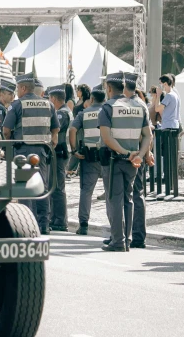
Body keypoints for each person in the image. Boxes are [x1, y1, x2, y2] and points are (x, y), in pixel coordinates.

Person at [98, 72, 152, 252]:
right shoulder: (140, 106)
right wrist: (139, 154)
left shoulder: (107, 107)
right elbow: (147, 135)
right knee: (128, 199)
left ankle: (118, 240)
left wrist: (126, 152)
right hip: (133, 162)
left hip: (115, 160)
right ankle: (127, 239)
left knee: (115, 199)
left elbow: (107, 138)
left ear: (109, 88)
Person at [3, 73, 59, 234]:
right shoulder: (48, 104)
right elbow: (56, 129)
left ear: (23, 88)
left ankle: (28, 224)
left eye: (17, 88)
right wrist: (52, 141)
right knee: (43, 187)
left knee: (25, 187)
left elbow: (6, 131)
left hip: (23, 150)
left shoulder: (17, 105)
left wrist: (10, 144)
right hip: (43, 150)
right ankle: (44, 225)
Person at [70, 85, 105, 235]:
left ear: (91, 99)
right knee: (112, 192)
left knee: (86, 191)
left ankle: (83, 225)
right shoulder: (108, 111)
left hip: (89, 157)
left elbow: (72, 130)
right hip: (107, 156)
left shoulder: (84, 113)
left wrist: (74, 150)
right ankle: (118, 225)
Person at [124, 73, 153, 249]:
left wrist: (145, 154)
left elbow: (146, 134)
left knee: (133, 195)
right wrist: (146, 153)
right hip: (138, 155)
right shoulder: (141, 104)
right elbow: (147, 134)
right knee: (137, 195)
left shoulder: (131, 104)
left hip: (131, 156)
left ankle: (131, 235)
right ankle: (135, 236)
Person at [48, 85, 73, 231]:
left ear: (54, 99)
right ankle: (56, 219)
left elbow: (54, 129)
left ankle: (60, 221)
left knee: (57, 187)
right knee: (56, 186)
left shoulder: (61, 114)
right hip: (61, 153)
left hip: (60, 153)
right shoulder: (64, 111)